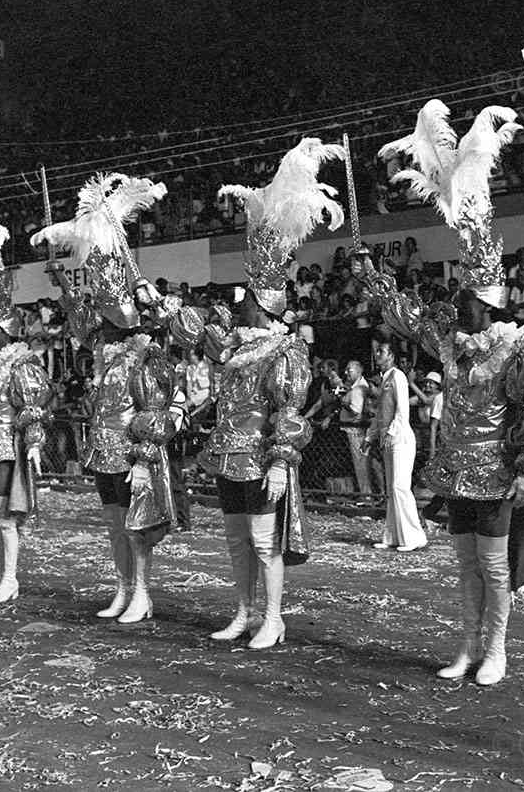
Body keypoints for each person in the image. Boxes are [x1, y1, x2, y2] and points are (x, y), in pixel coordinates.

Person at [374, 101, 524, 686]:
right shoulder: (455, 343)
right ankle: (466, 647)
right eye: (461, 297)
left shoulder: (518, 347)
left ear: (491, 304)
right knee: (463, 565)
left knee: (494, 565)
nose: (459, 304)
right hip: (456, 469)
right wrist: (375, 279)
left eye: (469, 300)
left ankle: (497, 651)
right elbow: (409, 319)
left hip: (500, 472)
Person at [34, 172, 179, 622]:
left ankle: (143, 593)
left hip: (132, 451)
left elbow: (156, 410)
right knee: (113, 523)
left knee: (135, 525)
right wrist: (62, 285)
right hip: (102, 447)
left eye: (111, 311)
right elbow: (79, 325)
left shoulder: (147, 351)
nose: (105, 317)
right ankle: (123, 588)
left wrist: (143, 458)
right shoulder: (103, 345)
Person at [203, 138, 330, 648]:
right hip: (229, 453)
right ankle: (245, 612)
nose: (240, 307)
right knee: (236, 540)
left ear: (263, 304)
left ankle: (274, 618)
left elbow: (289, 408)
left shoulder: (284, 349)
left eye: (247, 300)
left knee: (261, 539)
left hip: (260, 457)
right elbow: (201, 338)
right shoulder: (236, 347)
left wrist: (281, 460)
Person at [365, 338, 427, 552]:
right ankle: (392, 536)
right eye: (377, 352)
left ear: (391, 355)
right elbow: (380, 414)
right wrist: (369, 438)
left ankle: (414, 537)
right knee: (392, 489)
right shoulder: (384, 380)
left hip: (400, 439)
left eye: (381, 351)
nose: (377, 355)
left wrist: (391, 432)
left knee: (400, 487)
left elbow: (403, 410)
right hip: (387, 439)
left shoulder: (398, 376)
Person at [340, 360, 372, 496]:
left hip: (356, 431)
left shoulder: (359, 389)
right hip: (352, 430)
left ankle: (366, 495)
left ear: (359, 371)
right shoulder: (354, 387)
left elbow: (356, 411)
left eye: (349, 370)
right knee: (359, 463)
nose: (346, 372)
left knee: (361, 464)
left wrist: (343, 401)